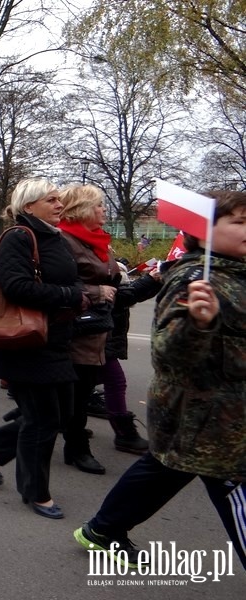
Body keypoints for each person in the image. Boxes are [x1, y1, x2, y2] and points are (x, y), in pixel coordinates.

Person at [74, 189, 246, 571]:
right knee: (217, 479)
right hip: (211, 417)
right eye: (240, 221)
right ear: (203, 229)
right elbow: (169, 354)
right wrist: (199, 325)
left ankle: (103, 531)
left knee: (166, 468)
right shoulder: (198, 281)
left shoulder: (236, 273)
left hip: (216, 415)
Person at [0, 178, 84, 519]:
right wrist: (71, 295)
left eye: (59, 199)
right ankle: (36, 492)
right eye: (52, 200)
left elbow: (69, 278)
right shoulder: (20, 237)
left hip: (55, 339)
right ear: (29, 205)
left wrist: (78, 290)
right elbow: (18, 287)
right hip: (25, 342)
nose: (59, 204)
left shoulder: (54, 236)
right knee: (42, 421)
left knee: (61, 416)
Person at [56, 184, 122, 476]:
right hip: (77, 327)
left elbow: (110, 279)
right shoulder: (65, 240)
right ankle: (77, 447)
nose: (103, 210)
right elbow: (57, 283)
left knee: (79, 393)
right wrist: (97, 291)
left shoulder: (96, 240)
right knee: (77, 393)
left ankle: (72, 438)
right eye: (98, 205)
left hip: (99, 328)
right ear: (82, 209)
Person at [103, 265, 162, 454]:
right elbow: (119, 296)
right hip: (96, 333)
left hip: (103, 333)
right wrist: (151, 280)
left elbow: (126, 295)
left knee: (79, 386)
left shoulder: (98, 251)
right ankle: (123, 433)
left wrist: (151, 280)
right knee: (115, 382)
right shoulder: (84, 253)